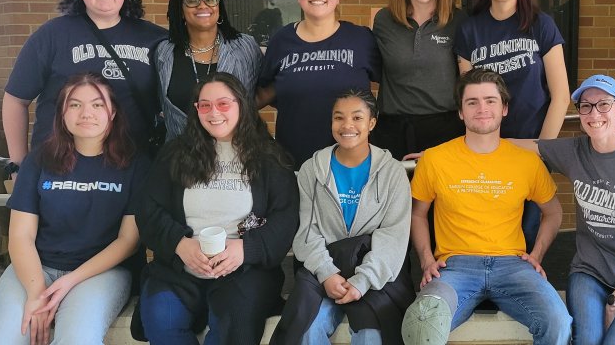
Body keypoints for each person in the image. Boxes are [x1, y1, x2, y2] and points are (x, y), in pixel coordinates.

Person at [401, 68, 571, 345]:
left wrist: (537, 254)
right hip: (455, 267)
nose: (482, 108)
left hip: (513, 266)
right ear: (460, 112)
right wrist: (426, 259)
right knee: (424, 320)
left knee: (558, 321)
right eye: (472, 102)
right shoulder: (435, 159)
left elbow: (553, 211)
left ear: (504, 108)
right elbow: (418, 213)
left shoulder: (527, 162)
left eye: (490, 101)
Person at [0, 73, 147, 345]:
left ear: (113, 111)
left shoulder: (136, 165)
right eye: (74, 104)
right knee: (1, 340)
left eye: (97, 104)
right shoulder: (39, 160)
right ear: (62, 113)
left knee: (77, 340)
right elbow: (21, 237)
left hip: (100, 273)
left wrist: (68, 283)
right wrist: (37, 294)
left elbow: (128, 241)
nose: (86, 113)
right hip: (36, 266)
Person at [135, 72, 299, 345]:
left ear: (241, 105)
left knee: (233, 330)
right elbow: (149, 208)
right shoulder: (175, 153)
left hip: (244, 272)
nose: (214, 113)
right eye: (205, 105)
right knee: (161, 321)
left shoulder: (269, 157)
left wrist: (246, 249)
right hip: (180, 268)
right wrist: (179, 244)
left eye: (223, 104)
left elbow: (286, 217)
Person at [518, 74, 615, 344]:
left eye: (603, 104)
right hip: (589, 271)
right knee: (587, 340)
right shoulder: (574, 151)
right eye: (586, 106)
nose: (594, 113)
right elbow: (523, 146)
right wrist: (447, 152)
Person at [3, 0, 167, 173]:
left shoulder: (156, 39)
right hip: (61, 170)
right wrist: (18, 166)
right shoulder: (52, 35)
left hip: (132, 170)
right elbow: (15, 100)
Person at [270, 89, 414, 345]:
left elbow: (394, 234)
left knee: (373, 334)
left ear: (372, 122)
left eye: (357, 118)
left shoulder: (392, 172)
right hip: (323, 266)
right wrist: (327, 274)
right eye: (339, 117)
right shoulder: (312, 170)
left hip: (375, 270)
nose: (347, 125)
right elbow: (306, 230)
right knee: (305, 330)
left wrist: (362, 280)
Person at [454, 0, 570, 249]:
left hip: (529, 150)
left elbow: (561, 95)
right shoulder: (469, 30)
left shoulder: (541, 25)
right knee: (486, 232)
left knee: (527, 232)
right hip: (485, 150)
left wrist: (543, 149)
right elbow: (468, 96)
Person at [257, 0, 381, 169]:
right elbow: (266, 92)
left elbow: (391, 83)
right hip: (293, 162)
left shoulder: (360, 39)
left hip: (352, 162)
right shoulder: (281, 40)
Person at [371, 0, 468, 161]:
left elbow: (467, 79)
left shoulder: (459, 21)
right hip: (391, 130)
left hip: (445, 129)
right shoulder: (384, 20)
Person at [157, 0, 263, 141]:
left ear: (218, 5)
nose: (203, 5)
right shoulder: (164, 52)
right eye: (192, 0)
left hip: (237, 155)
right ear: (181, 10)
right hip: (181, 158)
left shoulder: (245, 46)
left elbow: (262, 91)